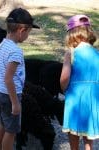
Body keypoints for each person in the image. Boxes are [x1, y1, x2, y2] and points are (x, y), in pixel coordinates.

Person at [0, 8, 39, 150]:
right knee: (11, 131)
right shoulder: (15, 51)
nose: (28, 36)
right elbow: (8, 79)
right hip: (9, 96)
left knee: (2, 123)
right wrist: (15, 103)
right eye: (28, 32)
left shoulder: (2, 44)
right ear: (21, 30)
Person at [60, 14, 99, 150]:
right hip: (93, 97)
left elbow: (64, 78)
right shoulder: (97, 54)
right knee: (89, 133)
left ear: (72, 34)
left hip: (75, 97)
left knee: (73, 130)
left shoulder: (71, 53)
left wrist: (64, 89)